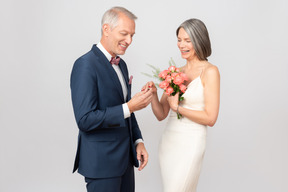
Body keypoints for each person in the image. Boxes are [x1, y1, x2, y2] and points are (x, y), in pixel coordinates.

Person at [70, 7, 153, 192]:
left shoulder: (121, 64)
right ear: (106, 29)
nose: (129, 41)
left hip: (125, 162)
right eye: (124, 34)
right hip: (101, 165)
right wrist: (129, 107)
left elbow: (127, 110)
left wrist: (138, 141)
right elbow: (84, 120)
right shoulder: (85, 65)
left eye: (132, 35)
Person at [144, 18, 220, 192]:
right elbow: (161, 114)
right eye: (179, 40)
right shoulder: (175, 72)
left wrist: (178, 108)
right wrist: (154, 95)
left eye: (187, 40)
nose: (181, 45)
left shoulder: (210, 71)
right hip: (170, 141)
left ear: (199, 40)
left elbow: (211, 118)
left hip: (192, 142)